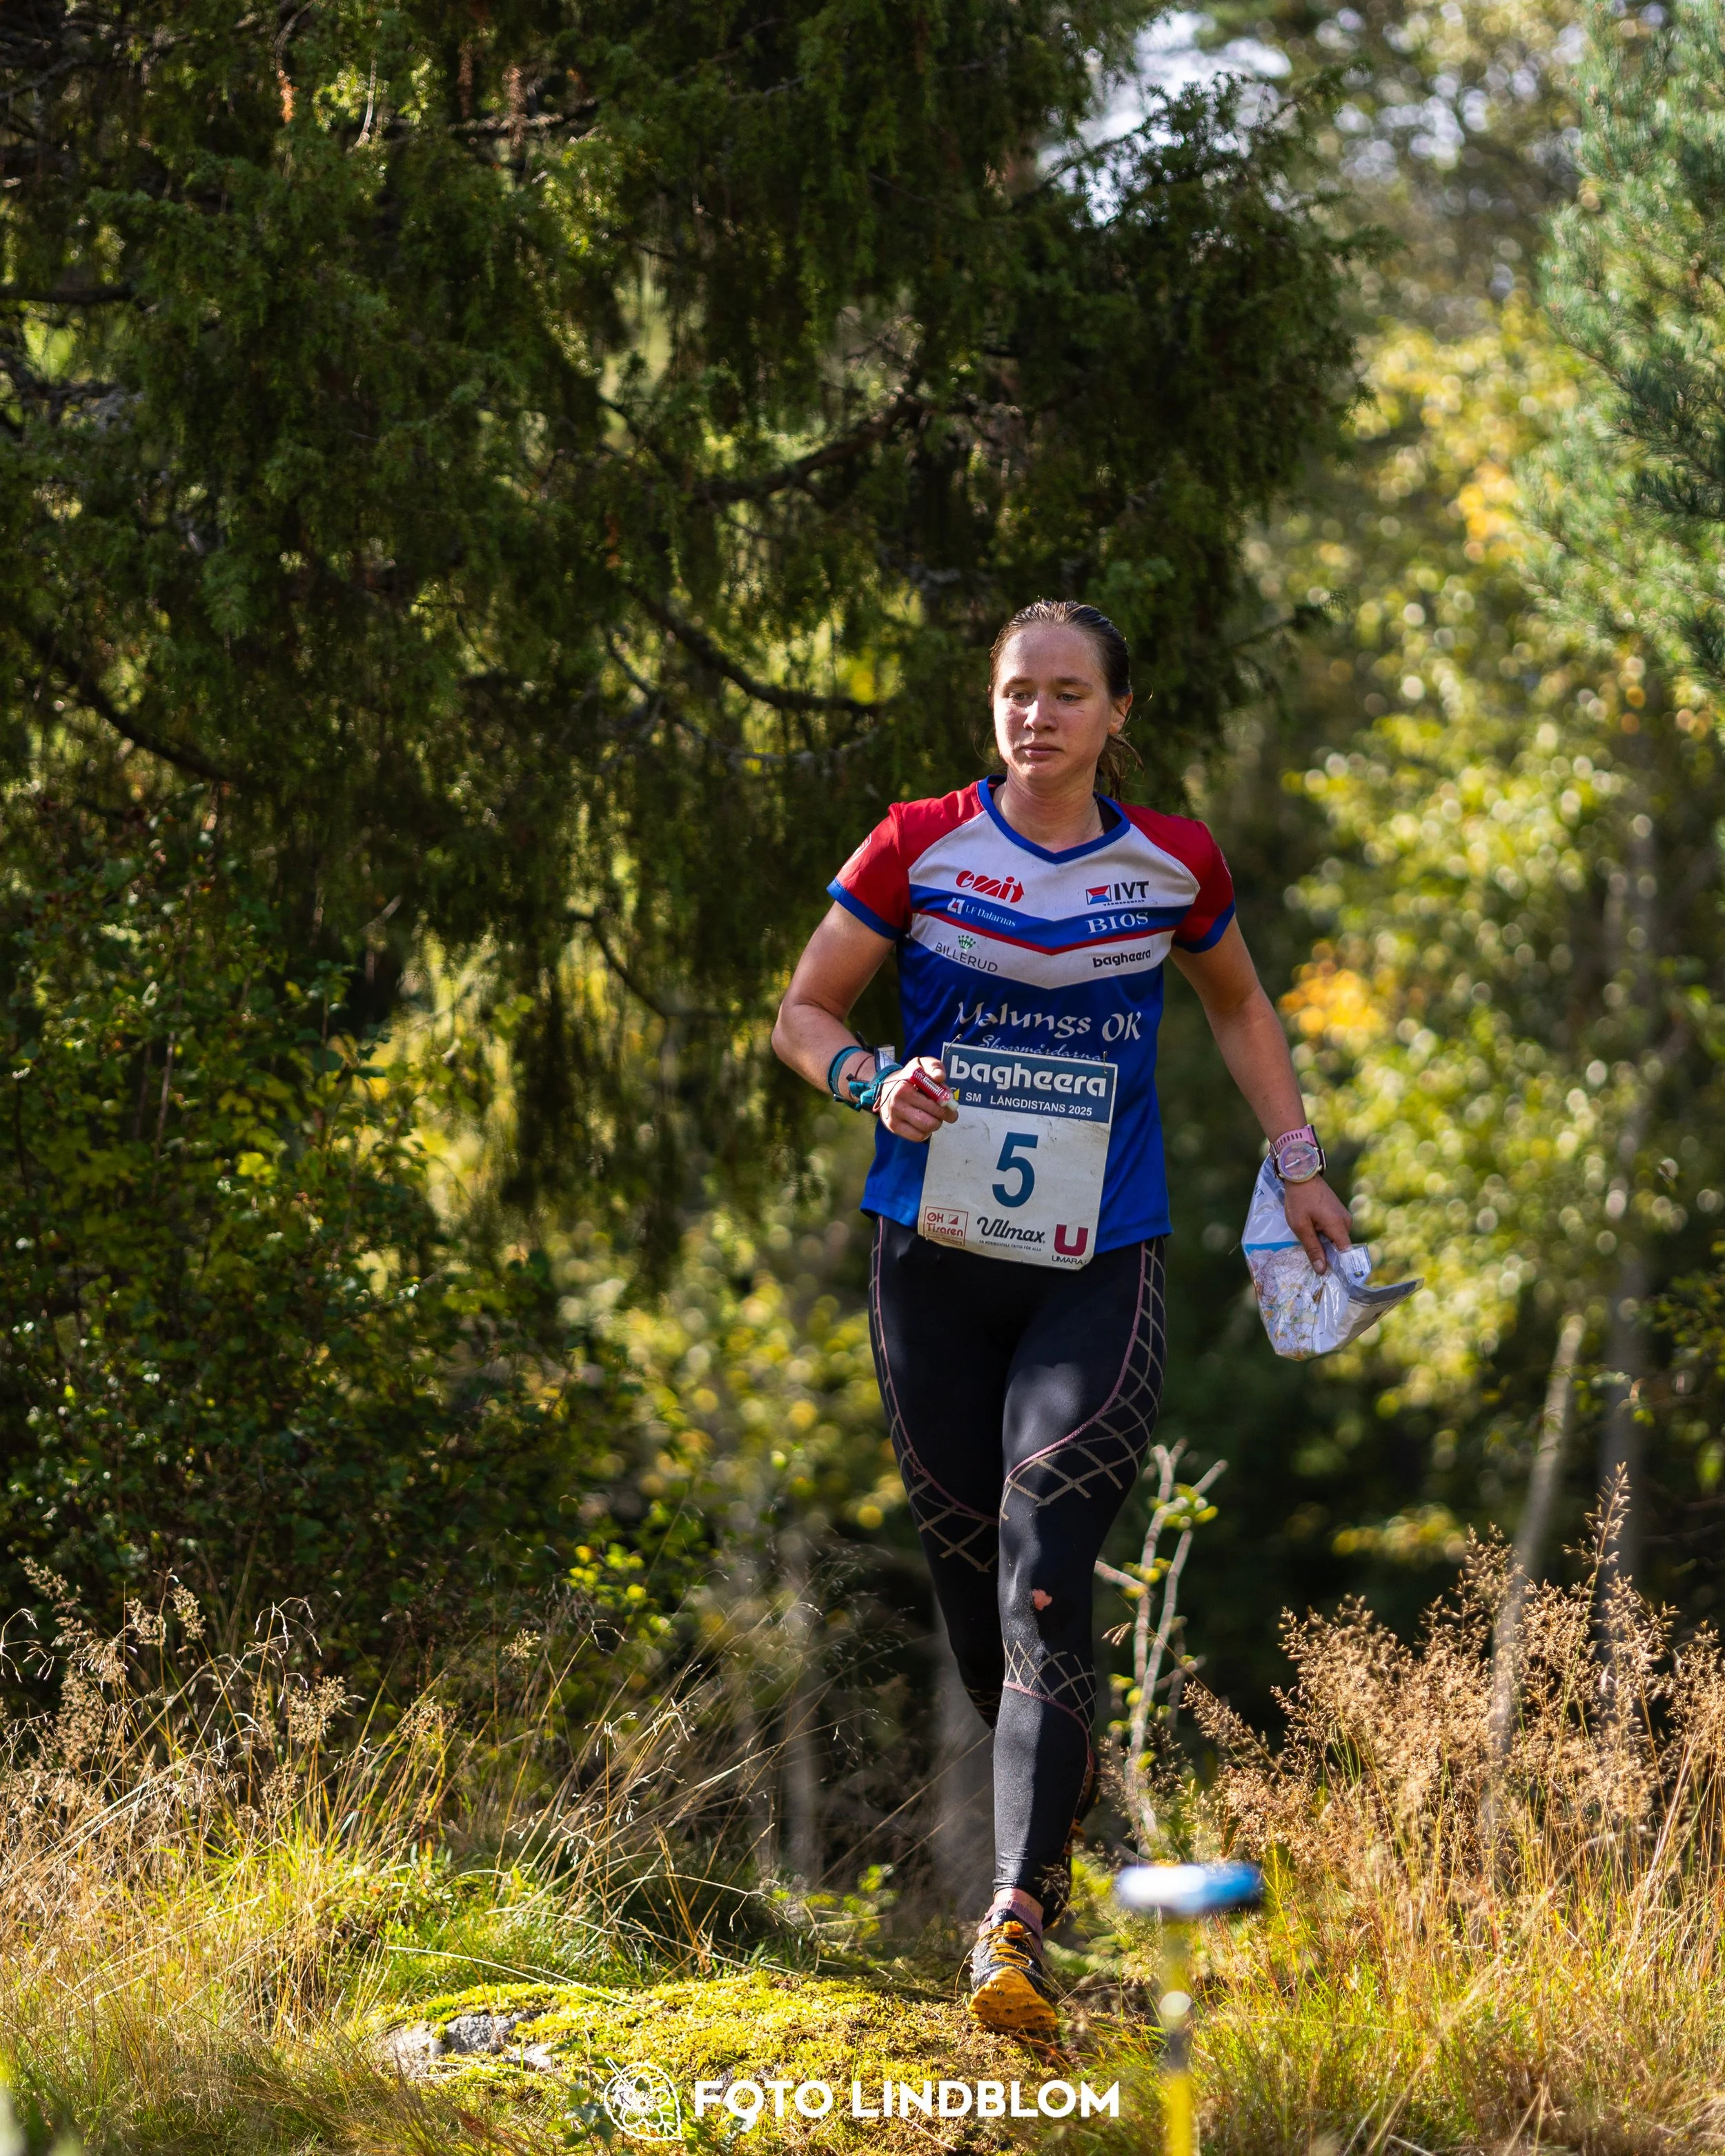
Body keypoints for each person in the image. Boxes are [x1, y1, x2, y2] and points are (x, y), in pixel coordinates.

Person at [771, 599, 1353, 2040]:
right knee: (978, 1588)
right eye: (1016, 694)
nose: (1036, 715)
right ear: (995, 709)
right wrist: (868, 1081)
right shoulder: (914, 842)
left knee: (1046, 1554)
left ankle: (1012, 1920)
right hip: (932, 1262)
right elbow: (802, 1010)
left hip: (1099, 1263)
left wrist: (1298, 1169)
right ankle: (1056, 1863)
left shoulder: (1170, 862)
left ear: (1114, 714)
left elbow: (1235, 1007)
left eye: (1066, 693)